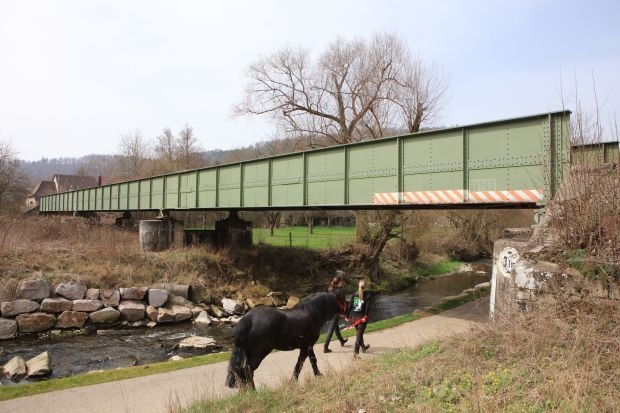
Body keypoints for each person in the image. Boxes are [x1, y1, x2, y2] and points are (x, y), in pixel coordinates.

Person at [323, 275, 348, 353]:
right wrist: (346, 312)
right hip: (336, 311)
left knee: (335, 326)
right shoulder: (339, 291)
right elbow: (344, 302)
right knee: (331, 328)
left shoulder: (329, 289)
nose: (342, 283)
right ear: (339, 282)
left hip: (328, 311)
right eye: (341, 281)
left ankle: (341, 340)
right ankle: (325, 346)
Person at [347, 279, 371, 358]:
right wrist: (365, 316)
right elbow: (367, 308)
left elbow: (350, 306)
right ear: (366, 286)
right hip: (362, 318)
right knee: (359, 335)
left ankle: (363, 347)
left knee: (359, 334)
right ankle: (356, 353)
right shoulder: (367, 295)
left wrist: (347, 315)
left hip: (354, 317)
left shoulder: (354, 294)